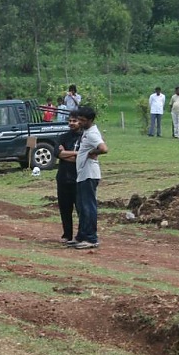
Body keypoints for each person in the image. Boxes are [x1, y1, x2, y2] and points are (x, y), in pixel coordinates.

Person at [69, 107, 108, 250]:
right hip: (83, 175)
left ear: (90, 120)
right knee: (81, 207)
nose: (79, 122)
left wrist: (93, 151)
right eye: (79, 119)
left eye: (82, 120)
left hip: (89, 175)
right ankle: (81, 236)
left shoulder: (91, 134)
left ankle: (91, 238)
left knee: (88, 207)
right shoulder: (87, 132)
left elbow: (104, 148)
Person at [56, 112, 83, 244]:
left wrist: (66, 153)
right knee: (65, 208)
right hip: (63, 178)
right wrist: (77, 153)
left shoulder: (84, 137)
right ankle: (67, 234)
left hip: (78, 178)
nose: (72, 123)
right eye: (70, 120)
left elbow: (83, 158)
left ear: (80, 122)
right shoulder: (63, 137)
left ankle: (81, 234)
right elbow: (58, 153)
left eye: (75, 121)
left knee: (80, 208)